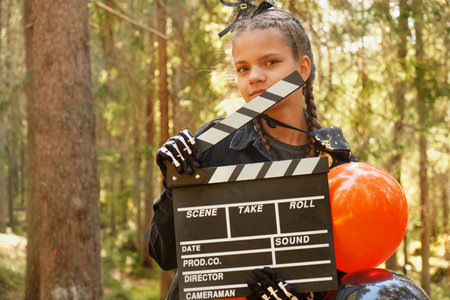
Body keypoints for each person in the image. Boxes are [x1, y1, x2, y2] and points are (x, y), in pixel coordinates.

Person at [148, 1, 357, 299]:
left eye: (270, 62)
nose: (254, 77)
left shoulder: (339, 166)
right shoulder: (213, 145)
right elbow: (163, 254)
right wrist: (174, 187)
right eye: (243, 68)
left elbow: (346, 276)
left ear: (303, 69)